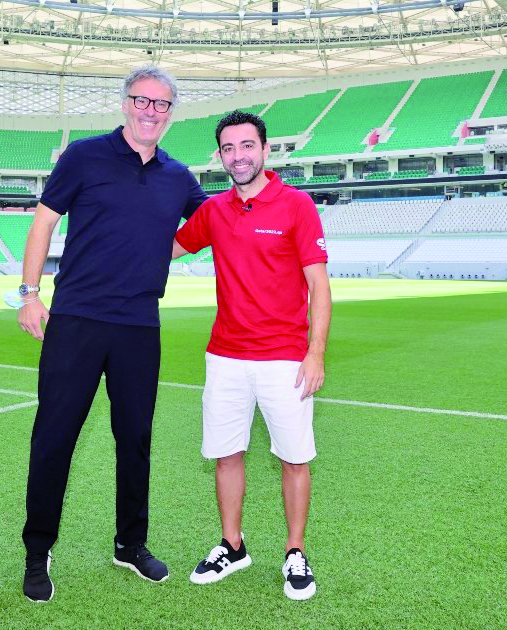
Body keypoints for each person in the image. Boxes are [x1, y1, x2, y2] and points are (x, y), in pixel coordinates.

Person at [16, 64, 209, 603]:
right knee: (54, 437)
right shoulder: (83, 156)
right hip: (75, 319)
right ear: (125, 104)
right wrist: (30, 294)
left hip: (139, 326)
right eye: (142, 101)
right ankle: (38, 551)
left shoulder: (179, 176)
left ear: (172, 113)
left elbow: (210, 226)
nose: (151, 111)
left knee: (136, 441)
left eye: (162, 104)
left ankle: (130, 544)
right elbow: (44, 222)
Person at [171, 110, 331, 601]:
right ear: (220, 155)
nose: (237, 156)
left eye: (246, 146)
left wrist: (315, 353)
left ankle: (295, 551)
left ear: (265, 149)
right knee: (226, 454)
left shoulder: (297, 205)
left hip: (285, 356)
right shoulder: (214, 211)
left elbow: (319, 289)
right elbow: (169, 249)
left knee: (294, 458)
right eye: (228, 148)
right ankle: (232, 545)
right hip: (225, 356)